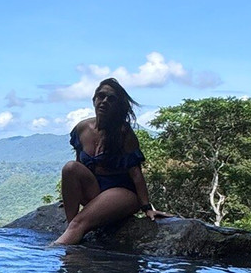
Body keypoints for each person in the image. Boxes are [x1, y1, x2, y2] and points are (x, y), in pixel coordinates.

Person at [53, 78, 168, 246]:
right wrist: (72, 195)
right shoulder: (82, 128)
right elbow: (79, 165)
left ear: (117, 105)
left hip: (122, 194)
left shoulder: (123, 133)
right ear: (94, 100)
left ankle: (58, 247)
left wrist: (147, 207)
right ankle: (72, 230)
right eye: (101, 96)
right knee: (70, 167)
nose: (104, 101)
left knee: (79, 224)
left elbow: (136, 174)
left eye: (111, 99)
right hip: (95, 190)